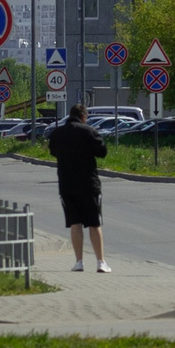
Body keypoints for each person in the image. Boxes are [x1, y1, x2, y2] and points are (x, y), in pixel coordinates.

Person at [47, 103, 109, 272]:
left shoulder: (57, 133)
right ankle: (100, 262)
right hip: (89, 184)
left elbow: (53, 151)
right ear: (84, 117)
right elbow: (102, 152)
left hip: (67, 185)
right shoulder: (88, 131)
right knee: (94, 223)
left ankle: (79, 262)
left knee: (75, 223)